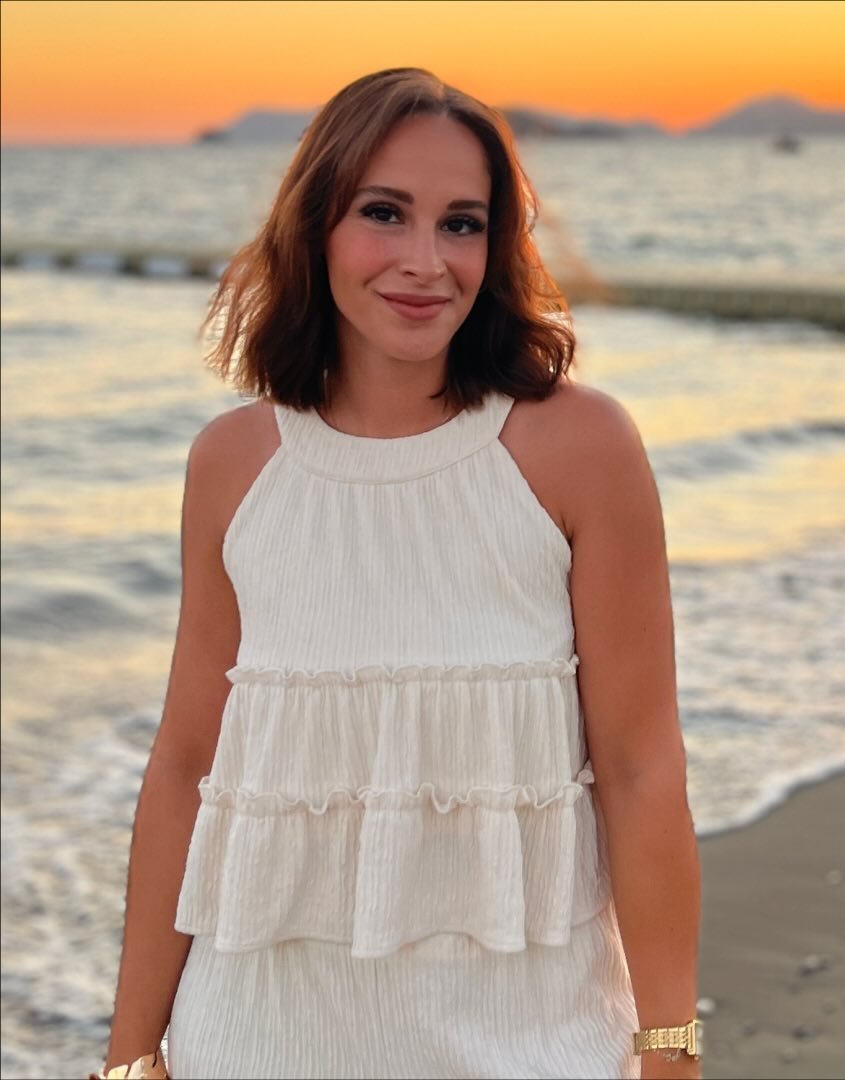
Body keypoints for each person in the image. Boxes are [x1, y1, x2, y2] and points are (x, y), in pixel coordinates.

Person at [95, 68, 702, 1080]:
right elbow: (184, 767)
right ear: (316, 227)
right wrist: (127, 1057)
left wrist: (670, 1049)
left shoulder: (578, 447)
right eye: (385, 214)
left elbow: (643, 771)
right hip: (250, 1044)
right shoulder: (234, 463)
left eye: (462, 224)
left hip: (532, 1048)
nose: (427, 262)